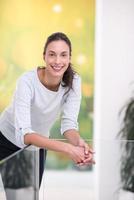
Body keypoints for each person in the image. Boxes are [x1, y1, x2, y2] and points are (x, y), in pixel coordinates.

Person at [0, 32, 95, 187]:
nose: (58, 61)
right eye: (52, 54)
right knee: (16, 196)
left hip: (39, 144)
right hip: (7, 140)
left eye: (63, 55)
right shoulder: (27, 81)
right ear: (44, 56)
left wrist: (79, 143)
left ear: (69, 58)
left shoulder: (74, 81)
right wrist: (68, 149)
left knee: (29, 196)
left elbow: (69, 125)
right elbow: (25, 134)